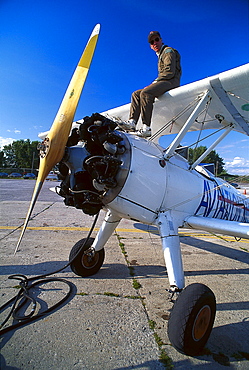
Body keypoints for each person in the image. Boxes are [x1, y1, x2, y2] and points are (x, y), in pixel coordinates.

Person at [123, 31, 181, 137]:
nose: (155, 43)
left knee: (146, 93)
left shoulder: (168, 51)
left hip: (171, 81)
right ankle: (132, 123)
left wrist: (154, 83)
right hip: (164, 81)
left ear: (161, 40)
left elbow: (169, 72)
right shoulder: (160, 56)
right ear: (150, 46)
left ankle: (146, 128)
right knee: (136, 94)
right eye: (152, 42)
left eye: (157, 39)